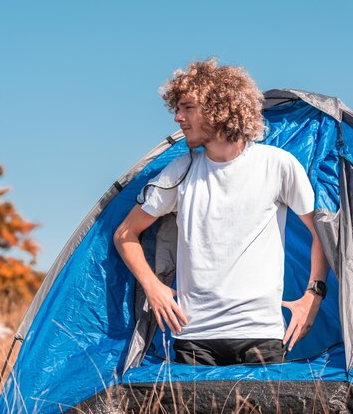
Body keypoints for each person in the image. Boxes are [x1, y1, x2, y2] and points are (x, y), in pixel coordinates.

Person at [114, 59, 329, 366]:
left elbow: (321, 232)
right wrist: (153, 287)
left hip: (261, 335)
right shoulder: (180, 171)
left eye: (187, 107)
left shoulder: (277, 165)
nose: (178, 117)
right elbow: (125, 233)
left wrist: (313, 295)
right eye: (177, 108)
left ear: (220, 107)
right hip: (193, 338)